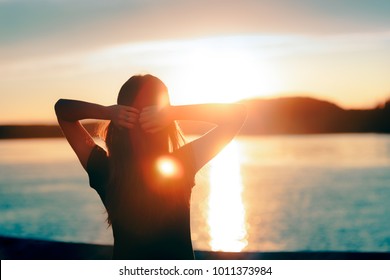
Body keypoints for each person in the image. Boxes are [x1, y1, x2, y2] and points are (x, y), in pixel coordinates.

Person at [54, 74, 246, 259]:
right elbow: (236, 115)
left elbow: (63, 111)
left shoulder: (105, 168)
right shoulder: (180, 164)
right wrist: (173, 113)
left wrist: (108, 112)